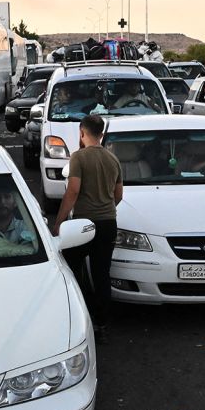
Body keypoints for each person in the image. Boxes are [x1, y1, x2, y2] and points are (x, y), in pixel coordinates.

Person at [51, 115, 121, 340]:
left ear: (82, 133)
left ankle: (81, 314)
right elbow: (118, 195)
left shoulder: (78, 157)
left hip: (84, 225)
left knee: (71, 267)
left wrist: (59, 222)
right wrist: (105, 207)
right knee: (102, 274)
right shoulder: (113, 159)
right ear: (101, 134)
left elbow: (72, 191)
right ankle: (103, 324)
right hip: (109, 222)